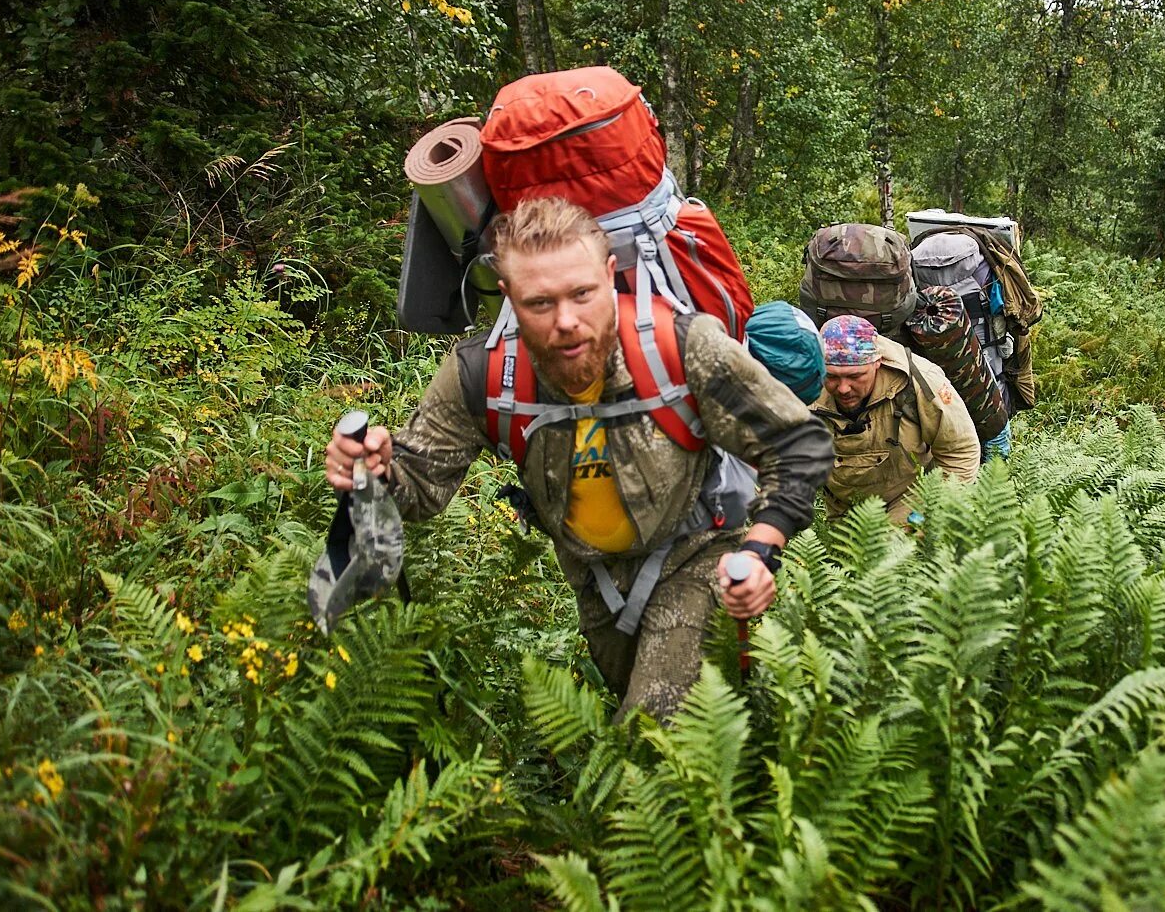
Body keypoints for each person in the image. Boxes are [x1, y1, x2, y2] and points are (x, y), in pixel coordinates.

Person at [324, 199, 832, 721]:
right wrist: (374, 471)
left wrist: (760, 546)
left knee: (652, 737)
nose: (566, 321)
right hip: (596, 582)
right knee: (668, 729)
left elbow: (797, 442)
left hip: (696, 555)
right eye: (540, 303)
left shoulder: (678, 346)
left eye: (583, 294)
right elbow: (419, 484)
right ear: (508, 296)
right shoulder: (484, 375)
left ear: (610, 275)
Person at [810, 314, 980, 526]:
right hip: (844, 503)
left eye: (855, 377)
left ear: (877, 363)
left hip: (910, 495)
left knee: (892, 548)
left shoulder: (920, 380)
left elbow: (959, 450)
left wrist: (936, 512)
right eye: (832, 377)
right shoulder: (804, 384)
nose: (843, 388)